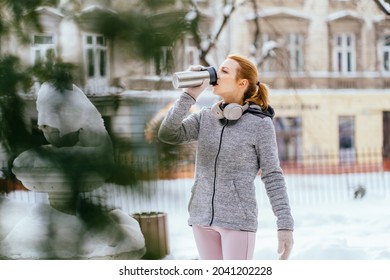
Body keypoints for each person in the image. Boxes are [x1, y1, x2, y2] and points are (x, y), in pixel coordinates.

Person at [158, 54, 294, 260]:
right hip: (201, 218)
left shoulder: (259, 124)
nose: (216, 74)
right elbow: (167, 133)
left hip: (237, 222)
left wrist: (285, 225)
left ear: (242, 83)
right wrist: (189, 95)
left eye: (224, 71)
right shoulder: (205, 117)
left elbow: (272, 175)